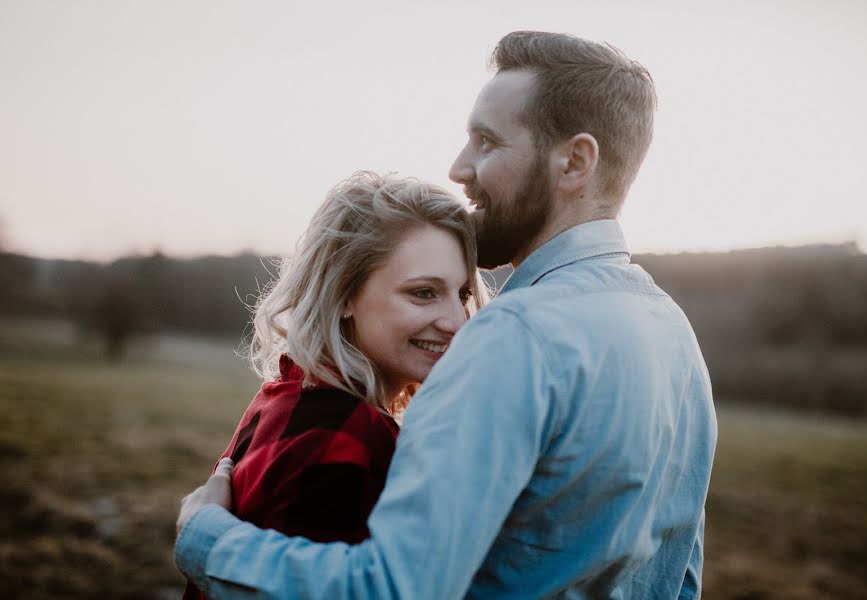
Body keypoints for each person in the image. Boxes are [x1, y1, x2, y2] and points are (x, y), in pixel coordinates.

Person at [176, 31, 717, 599]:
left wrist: (206, 538)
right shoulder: (676, 338)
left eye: (486, 141)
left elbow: (392, 590)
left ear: (575, 162)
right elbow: (679, 581)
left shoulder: (514, 337)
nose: (460, 167)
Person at [180, 171, 488, 600]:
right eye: (423, 293)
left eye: (463, 294)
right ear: (343, 294)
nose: (457, 321)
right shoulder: (348, 432)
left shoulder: (286, 396)